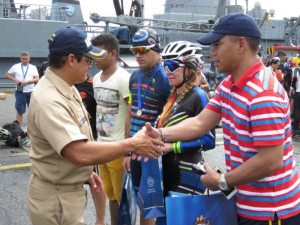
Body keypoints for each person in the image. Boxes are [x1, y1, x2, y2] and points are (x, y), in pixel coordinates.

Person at [144, 13, 300, 224]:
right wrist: (161, 133)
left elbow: (270, 160)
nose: (212, 53)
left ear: (241, 44)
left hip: (270, 211)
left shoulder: (263, 93)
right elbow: (201, 122)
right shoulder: (229, 84)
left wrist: (221, 181)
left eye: (217, 44)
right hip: (245, 203)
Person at [26, 27, 163, 225]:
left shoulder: (67, 87)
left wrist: (83, 173)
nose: (90, 66)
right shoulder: (50, 100)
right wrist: (133, 144)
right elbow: (80, 153)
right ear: (71, 60)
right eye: (88, 60)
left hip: (66, 191)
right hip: (55, 200)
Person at [123, 27, 171, 225]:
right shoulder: (134, 76)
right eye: (135, 50)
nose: (137, 55)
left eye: (143, 50)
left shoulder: (166, 78)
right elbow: (130, 113)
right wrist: (126, 151)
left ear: (156, 49)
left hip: (154, 152)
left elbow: (172, 118)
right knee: (139, 199)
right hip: (135, 149)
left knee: (153, 203)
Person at [157, 40, 215, 197]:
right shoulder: (174, 95)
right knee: (163, 221)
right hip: (167, 169)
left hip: (187, 173)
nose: (167, 70)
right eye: (165, 65)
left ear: (189, 69)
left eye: (173, 65)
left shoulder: (199, 96)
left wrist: (171, 147)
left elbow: (209, 140)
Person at [91, 33, 131, 225]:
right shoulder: (97, 78)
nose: (94, 58)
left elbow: (131, 114)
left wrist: (127, 150)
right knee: (110, 195)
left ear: (113, 54)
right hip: (101, 147)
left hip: (117, 147)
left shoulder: (123, 79)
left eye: (99, 53)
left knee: (122, 198)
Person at [74, 73, 107, 225]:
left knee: (95, 182)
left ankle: (100, 220)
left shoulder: (92, 84)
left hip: (90, 143)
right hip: (69, 143)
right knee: (73, 184)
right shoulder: (63, 85)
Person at [5, 51, 39, 126]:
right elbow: (7, 75)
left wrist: (28, 82)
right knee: (20, 111)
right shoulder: (16, 66)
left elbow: (37, 79)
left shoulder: (33, 67)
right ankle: (19, 129)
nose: (25, 60)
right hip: (20, 92)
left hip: (31, 92)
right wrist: (14, 79)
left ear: (29, 59)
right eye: (23, 59)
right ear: (21, 59)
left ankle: (32, 128)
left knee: (33, 111)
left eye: (26, 59)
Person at [290, 63, 300, 137]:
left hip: (298, 91)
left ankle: (295, 128)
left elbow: (295, 78)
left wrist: (291, 88)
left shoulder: (296, 69)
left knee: (297, 109)